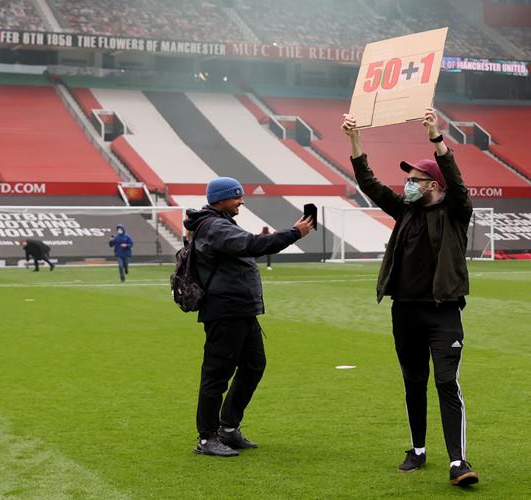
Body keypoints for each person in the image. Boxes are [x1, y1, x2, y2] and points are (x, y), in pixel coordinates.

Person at [341, 108, 479, 487]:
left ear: (433, 184)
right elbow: (369, 183)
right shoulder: (403, 211)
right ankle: (417, 450)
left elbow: (457, 181)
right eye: (408, 180)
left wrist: (436, 138)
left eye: (416, 180)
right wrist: (355, 139)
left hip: (443, 313)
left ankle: (458, 461)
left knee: (446, 382)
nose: (408, 184)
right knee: (413, 382)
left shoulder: (455, 212)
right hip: (404, 312)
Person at [184, 176, 313, 457]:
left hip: (239, 309)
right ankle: (207, 438)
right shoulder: (215, 226)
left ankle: (228, 428)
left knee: (254, 365)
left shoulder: (218, 222)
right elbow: (254, 245)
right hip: (226, 310)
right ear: (220, 198)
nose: (241, 201)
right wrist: (294, 233)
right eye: (236, 196)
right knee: (216, 375)